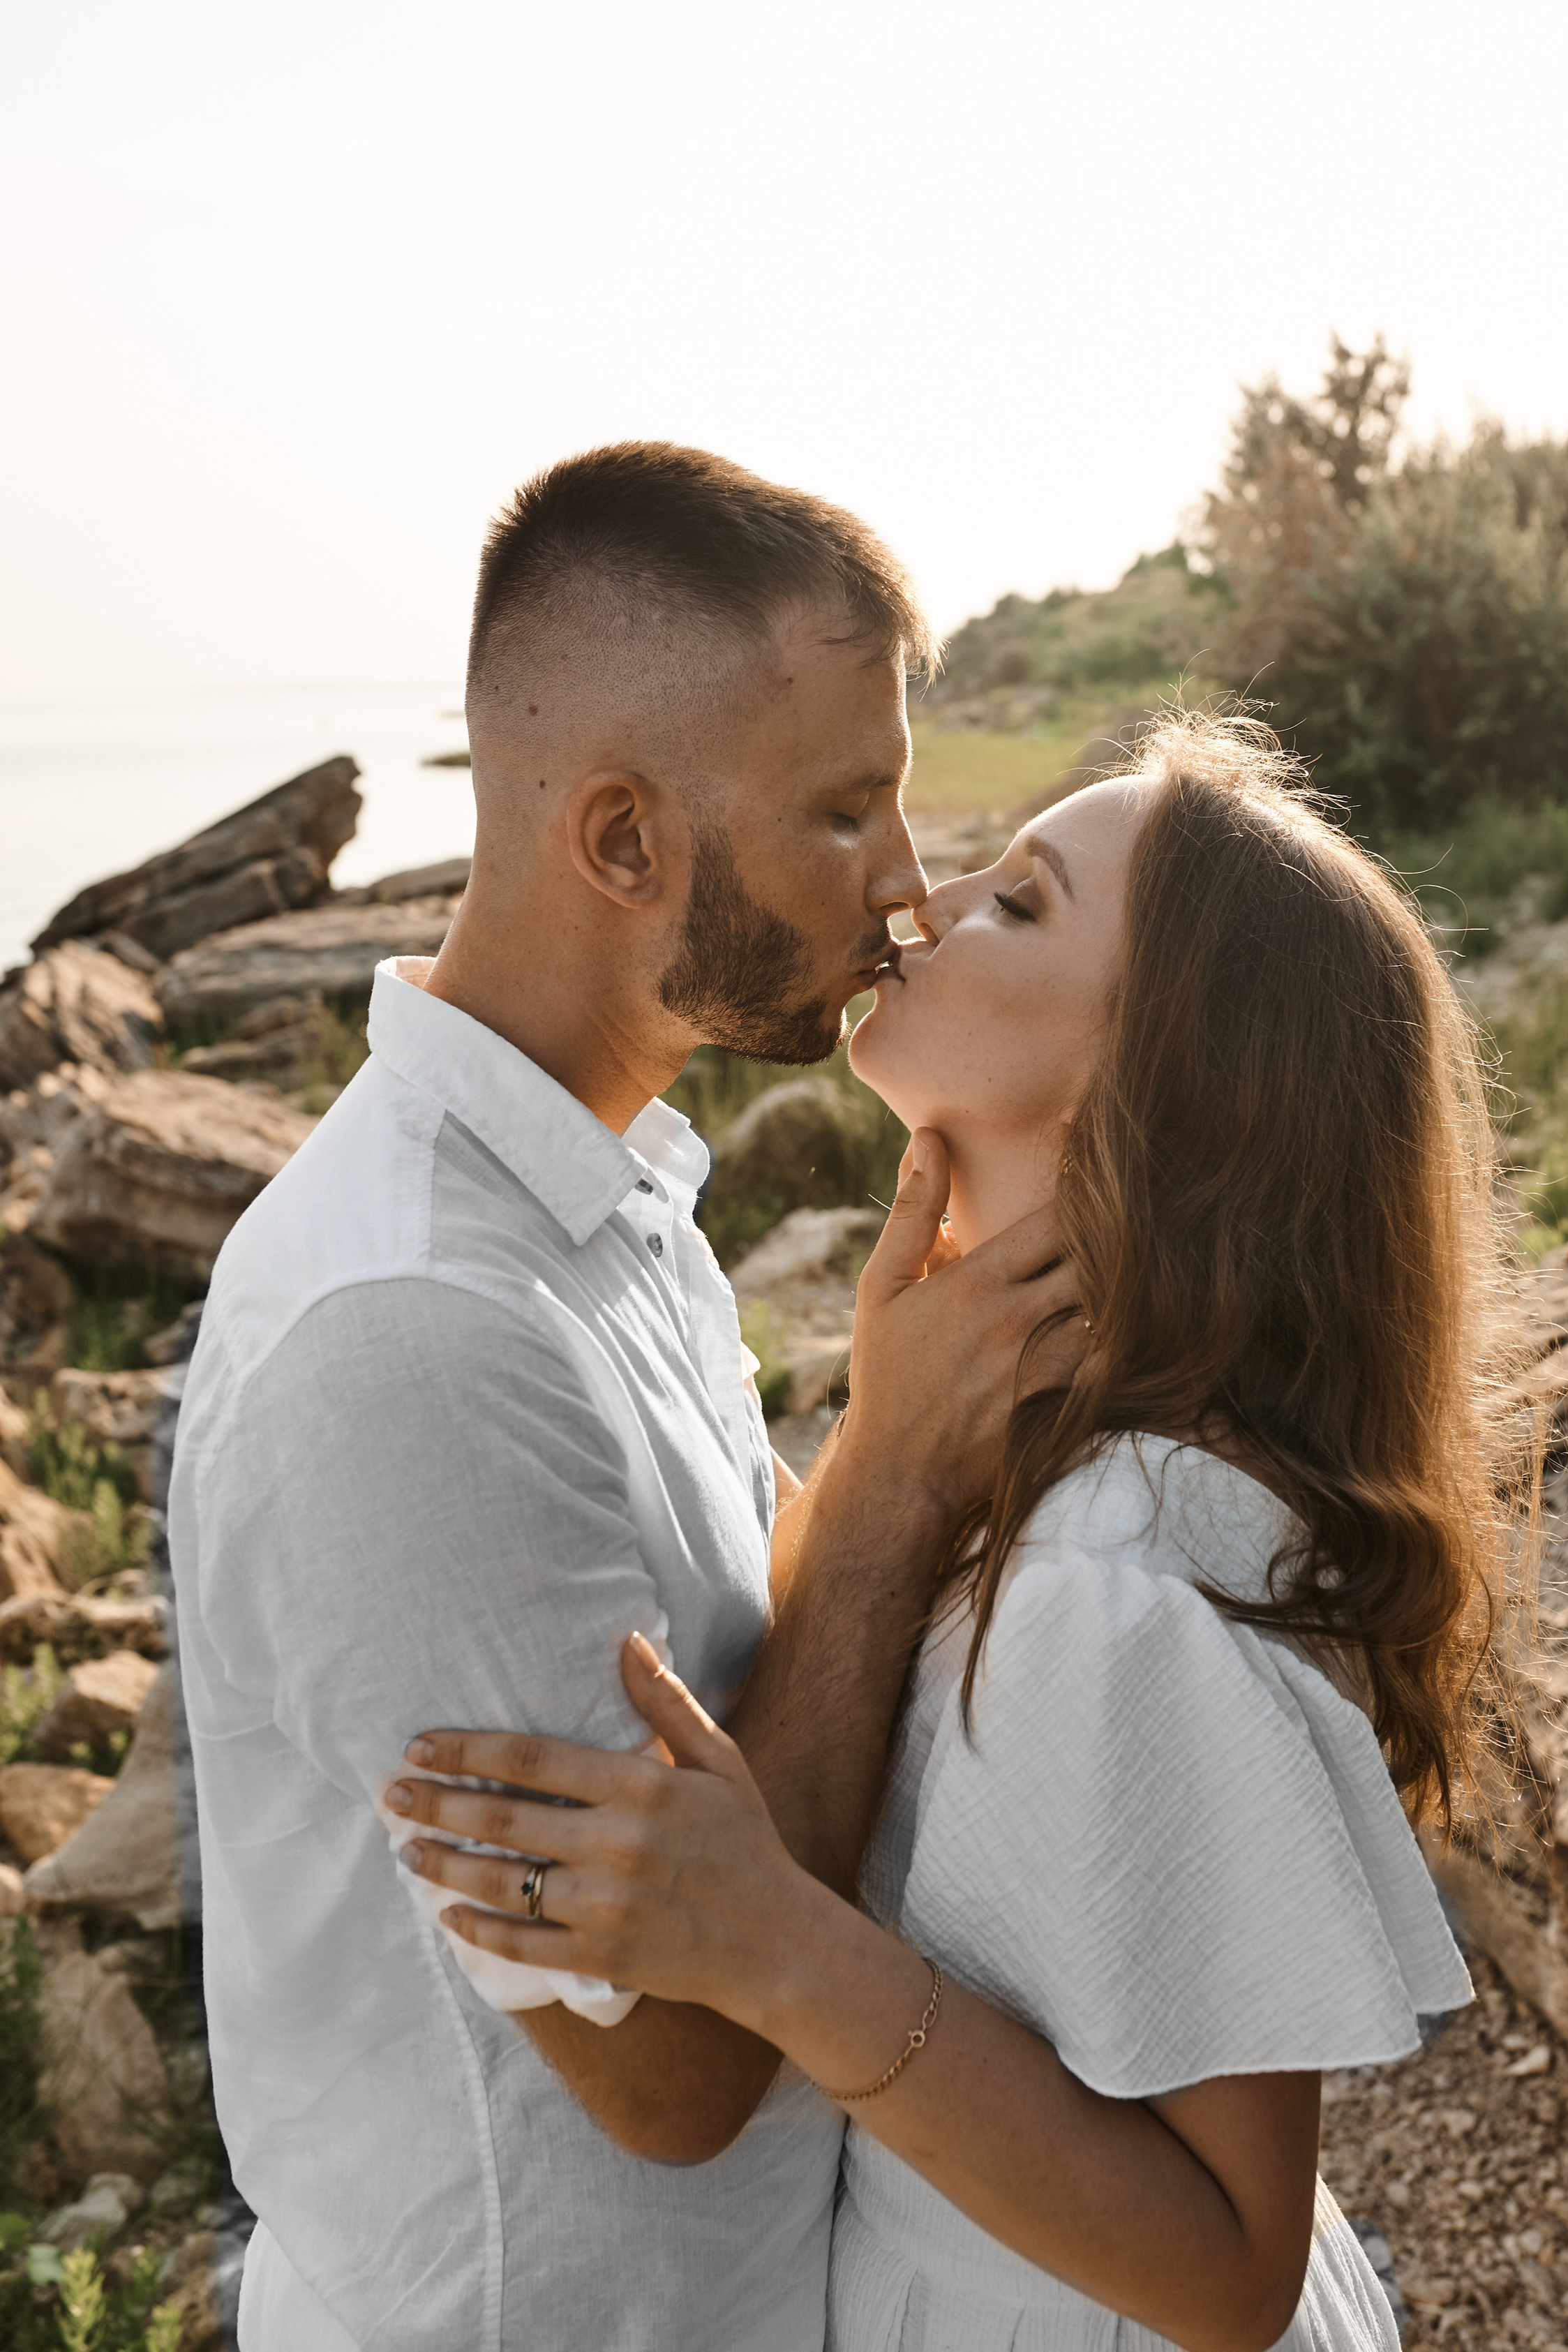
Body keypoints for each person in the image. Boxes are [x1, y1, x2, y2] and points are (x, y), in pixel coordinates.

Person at [388, 710, 1538, 2352]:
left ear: (1164, 1088)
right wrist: (889, 1440)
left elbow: (1227, 2269)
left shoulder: (1119, 1584)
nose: (921, 898)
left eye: (1019, 903)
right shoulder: (1037, 1460)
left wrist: (785, 1951)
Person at [169, 443, 1082, 2351]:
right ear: (620, 842)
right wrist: (895, 1473)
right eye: (843, 814)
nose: (910, 888)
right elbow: (665, 2068)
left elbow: (760, 1706)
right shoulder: (411, 1339)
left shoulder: (608, 1202)